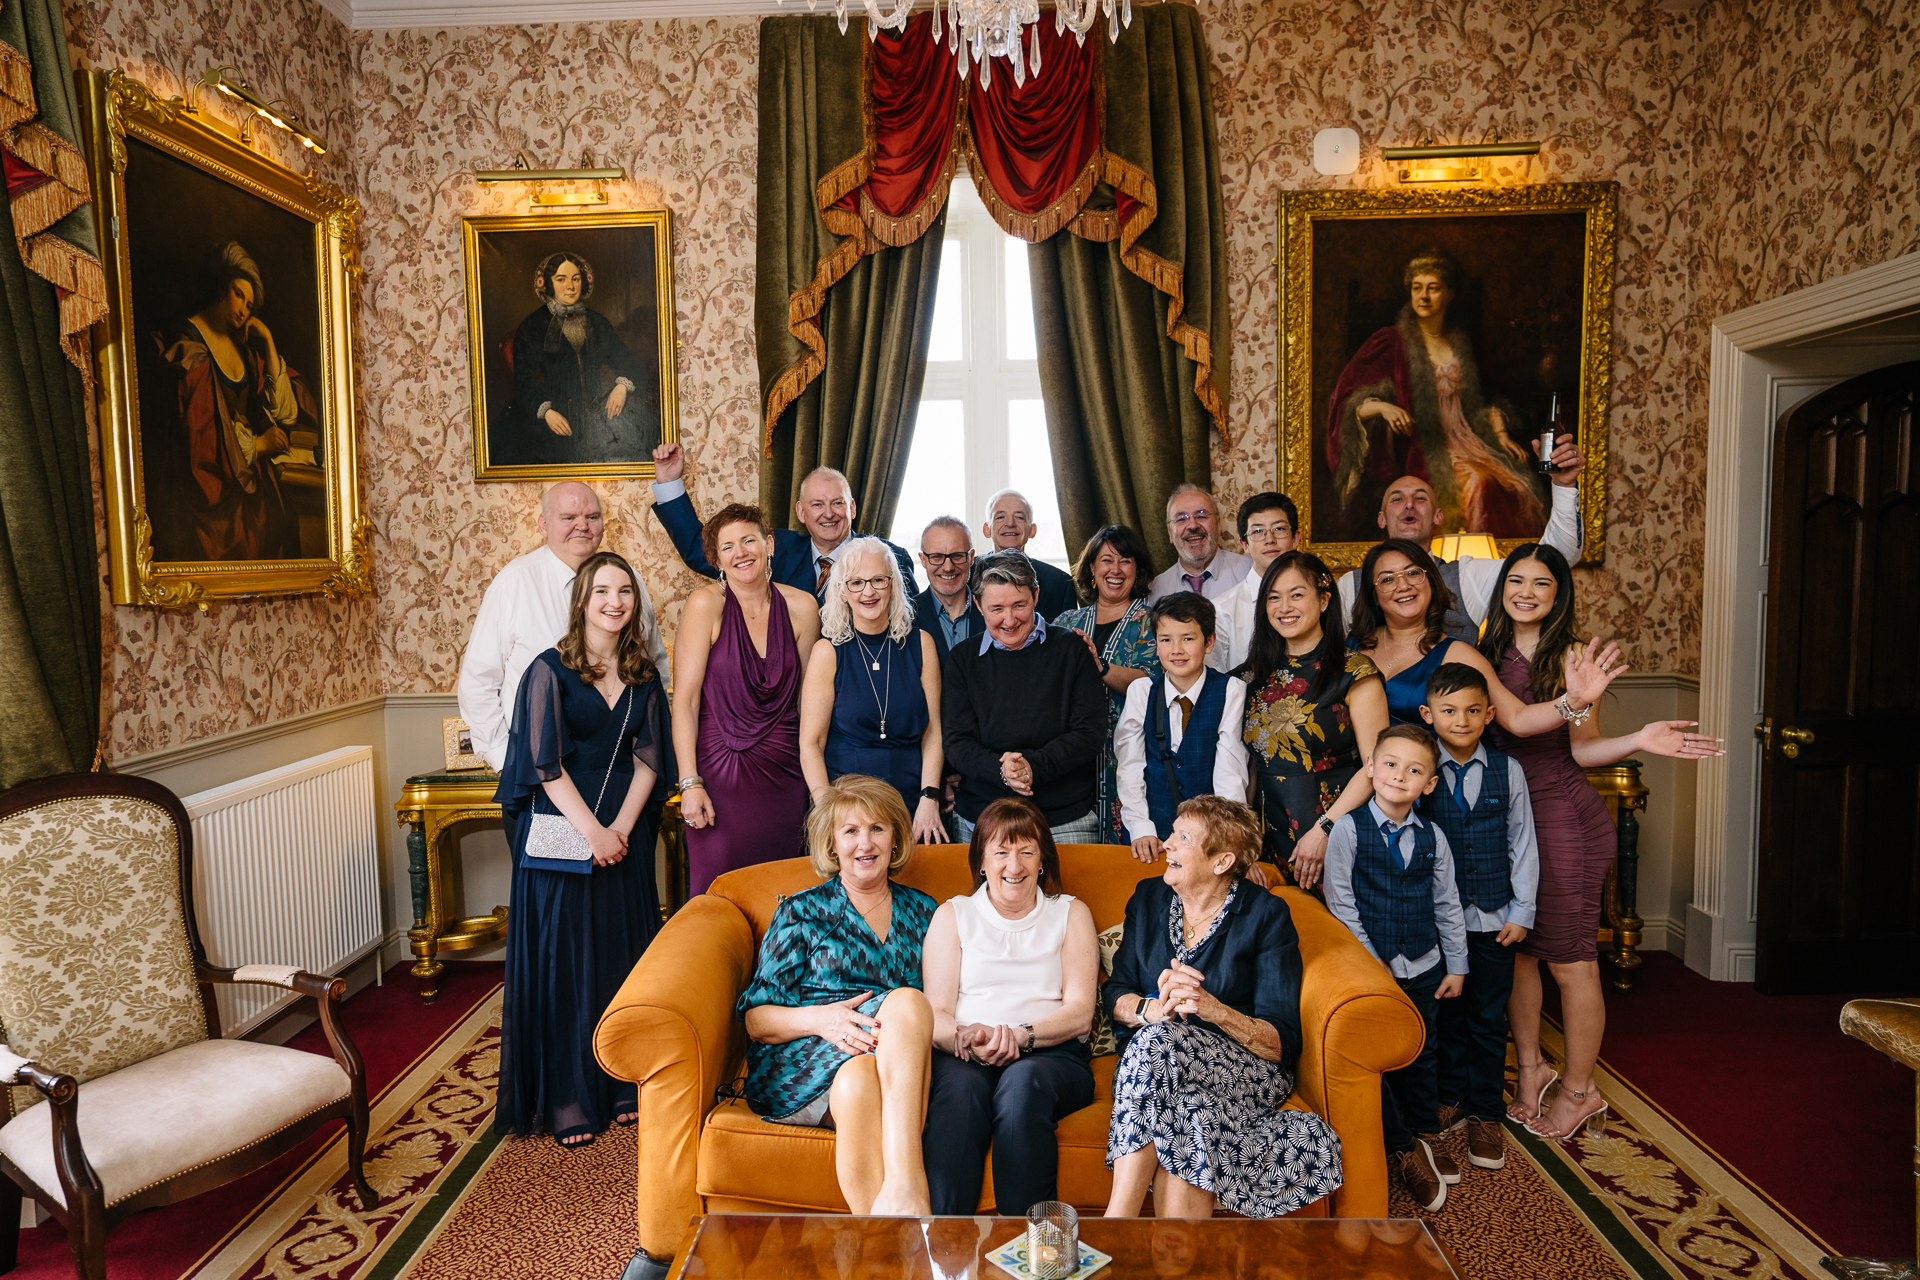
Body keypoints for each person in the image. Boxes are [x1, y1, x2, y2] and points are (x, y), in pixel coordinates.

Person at [1478, 544, 1724, 1141]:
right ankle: (1532, 1068)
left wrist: (1638, 737)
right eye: (1516, 580)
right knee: (1521, 954)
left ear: (1559, 593)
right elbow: (1510, 722)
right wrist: (1573, 702)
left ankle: (1581, 1091)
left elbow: (1583, 749)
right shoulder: (1484, 651)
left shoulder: (1570, 655)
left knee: (1572, 962)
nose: (1527, 591)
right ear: (1501, 587)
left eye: (1542, 582)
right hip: (1508, 820)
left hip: (1563, 818)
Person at [493, 551, 671, 1147]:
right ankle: (569, 1094)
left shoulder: (643, 673)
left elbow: (651, 759)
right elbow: (545, 766)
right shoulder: (548, 670)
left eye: (625, 590)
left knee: (622, 962)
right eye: (602, 591)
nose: (615, 601)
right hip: (564, 836)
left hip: (626, 836)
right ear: (582, 601)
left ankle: (622, 1081)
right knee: (568, 968)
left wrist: (619, 830)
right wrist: (593, 833)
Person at [1102, 796, 1342, 1219]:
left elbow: (1281, 1041)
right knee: (1192, 1112)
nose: (1166, 844)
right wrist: (1153, 1009)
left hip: (1245, 1071)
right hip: (1164, 1073)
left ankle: (1114, 1226)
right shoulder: (1148, 898)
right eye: (1172, 832)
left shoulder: (1265, 915)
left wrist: (1213, 1009)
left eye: (1183, 837)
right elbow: (1116, 992)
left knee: (1157, 1044)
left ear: (1220, 861)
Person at [737, 776, 937, 1214]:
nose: (865, 843)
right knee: (904, 999)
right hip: (804, 1059)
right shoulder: (802, 911)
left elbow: (943, 1004)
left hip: (885, 1067)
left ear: (895, 838)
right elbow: (756, 1019)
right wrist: (820, 1019)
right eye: (851, 831)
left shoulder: (925, 912)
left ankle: (883, 1244)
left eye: (877, 829)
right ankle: (907, 1184)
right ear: (832, 844)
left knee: (858, 1079)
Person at [921, 798, 1099, 1214]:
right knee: (959, 1097)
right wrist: (970, 1039)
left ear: (1042, 861)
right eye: (1000, 852)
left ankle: (1028, 1250)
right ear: (982, 861)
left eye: (1026, 851)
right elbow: (937, 1013)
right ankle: (948, 1248)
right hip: (965, 1052)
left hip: (1051, 1055)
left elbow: (1079, 1011)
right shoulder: (953, 915)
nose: (1013, 866)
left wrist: (1020, 1036)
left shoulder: (1070, 913)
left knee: (1021, 1088)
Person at [1321, 723, 1466, 1212]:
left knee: (1424, 1051)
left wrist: (1457, 964)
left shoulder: (1433, 836)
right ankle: (1400, 1143)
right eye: (1390, 763)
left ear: (1428, 783)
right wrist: (1372, 964)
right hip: (1372, 968)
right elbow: (1342, 904)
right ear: (1370, 768)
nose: (1399, 775)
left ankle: (1425, 1134)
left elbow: (1447, 904)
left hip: (1424, 963)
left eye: (1414, 769)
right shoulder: (1348, 829)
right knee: (1376, 1059)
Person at [1326, 248, 1545, 536]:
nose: (1424, 296)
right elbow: (1345, 401)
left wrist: (1501, 434)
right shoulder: (1391, 341)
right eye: (1417, 288)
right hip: (1423, 448)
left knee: (1516, 486)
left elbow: (1483, 400)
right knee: (1479, 484)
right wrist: (1383, 407)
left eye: (1433, 288)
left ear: (1449, 294)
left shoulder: (1460, 344)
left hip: (1468, 440)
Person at [1416, 663, 1538, 1175]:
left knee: (1489, 1018)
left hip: (1493, 919)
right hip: (1436, 925)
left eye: (1472, 710)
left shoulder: (1508, 771)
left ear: (1490, 715)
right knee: (1445, 1018)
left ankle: (1485, 1112)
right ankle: (1449, 1098)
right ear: (1428, 715)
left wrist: (1522, 909)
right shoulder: (1419, 771)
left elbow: (1523, 841)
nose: (1461, 720)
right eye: (1448, 711)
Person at [459, 481, 669, 772]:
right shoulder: (514, 582)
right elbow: (478, 681)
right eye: (569, 518)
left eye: (592, 517)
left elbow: (653, 664)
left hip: (617, 769)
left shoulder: (628, 580)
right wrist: (506, 759)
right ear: (543, 524)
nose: (582, 526)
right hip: (535, 767)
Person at [672, 503, 821, 894]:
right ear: (716, 559)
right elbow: (685, 701)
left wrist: (817, 780)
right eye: (728, 547)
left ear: (769, 544)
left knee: (785, 891)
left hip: (786, 775)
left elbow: (808, 702)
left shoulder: (804, 608)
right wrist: (690, 783)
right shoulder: (705, 606)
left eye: (749, 540)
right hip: (719, 777)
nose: (741, 553)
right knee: (718, 891)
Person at [1349, 537, 1622, 732]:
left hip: (1427, 792)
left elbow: (1517, 719)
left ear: (1431, 582)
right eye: (1387, 579)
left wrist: (1571, 702)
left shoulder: (1458, 654)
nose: (1403, 585)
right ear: (1373, 596)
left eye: (1412, 573)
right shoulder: (1349, 648)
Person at [150, 240, 316, 562]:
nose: (243, 309)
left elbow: (282, 412)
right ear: (221, 286)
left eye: (250, 305)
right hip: (207, 500)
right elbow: (199, 445)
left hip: (248, 491)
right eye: (239, 294)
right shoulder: (189, 349)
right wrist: (260, 446)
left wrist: (266, 339)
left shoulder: (243, 351)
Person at [1238, 550, 1387, 888]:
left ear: (1323, 601)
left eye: (1297, 595)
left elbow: (1377, 766)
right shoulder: (1248, 678)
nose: (1284, 607)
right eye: (1273, 597)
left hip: (1335, 832)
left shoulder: (1355, 672)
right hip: (1263, 843)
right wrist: (1240, 840)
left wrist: (1325, 829)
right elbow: (1241, 766)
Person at [942, 551, 1108, 844]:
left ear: (1036, 596)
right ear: (978, 605)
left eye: (1019, 605)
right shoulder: (962, 660)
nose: (1009, 620)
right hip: (981, 817)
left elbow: (1089, 734)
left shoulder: (1072, 649)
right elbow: (957, 742)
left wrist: (1034, 766)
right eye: (996, 608)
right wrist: (1002, 770)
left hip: (1063, 817)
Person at [800, 538, 947, 842]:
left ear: (893, 585)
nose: (868, 591)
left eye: (878, 580)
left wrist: (929, 798)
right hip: (847, 814)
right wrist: (828, 811)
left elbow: (933, 735)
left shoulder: (922, 644)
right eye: (856, 582)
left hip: (913, 807)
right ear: (841, 590)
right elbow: (811, 743)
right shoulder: (827, 652)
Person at [1334, 468, 1585, 643]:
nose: (1409, 504)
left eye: (1419, 498)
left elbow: (1554, 559)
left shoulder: (1468, 576)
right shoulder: (1350, 584)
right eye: (1397, 499)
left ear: (1438, 516)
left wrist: (1563, 486)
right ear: (1381, 518)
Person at [649, 443, 914, 597]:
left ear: (852, 508)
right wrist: (669, 481)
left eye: (838, 503)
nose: (829, 514)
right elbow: (701, 550)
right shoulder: (777, 547)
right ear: (801, 512)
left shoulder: (892, 558)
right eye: (817, 505)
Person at [1114, 594, 1251, 860]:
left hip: (1209, 837)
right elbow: (1130, 767)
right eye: (1166, 640)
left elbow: (1230, 773)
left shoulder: (1230, 690)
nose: (1176, 649)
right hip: (1151, 837)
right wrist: (1141, 828)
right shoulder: (1142, 691)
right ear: (1156, 644)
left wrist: (1228, 838)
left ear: (1209, 641)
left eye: (1188, 638)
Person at [1054, 525, 1161, 842]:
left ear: (1137, 569)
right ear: (1092, 568)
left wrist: (1099, 666)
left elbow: (1154, 684)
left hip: (1131, 754)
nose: (1115, 570)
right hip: (1072, 759)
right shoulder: (1065, 623)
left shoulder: (1153, 621)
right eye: (1106, 560)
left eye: (1125, 560)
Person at [506, 251, 657, 465]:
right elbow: (524, 382)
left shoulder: (597, 322)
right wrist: (547, 412)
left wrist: (621, 387)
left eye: (576, 279)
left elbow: (630, 363)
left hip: (599, 412)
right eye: (561, 279)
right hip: (556, 417)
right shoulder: (532, 327)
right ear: (548, 284)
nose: (570, 286)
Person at [1214, 492, 1298, 674]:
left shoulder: (1314, 599)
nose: (1270, 540)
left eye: (1279, 529)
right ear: (1244, 544)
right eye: (1258, 531)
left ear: (1296, 537)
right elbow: (1215, 679)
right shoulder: (1222, 610)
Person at [1145, 486, 1252, 605]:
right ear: (1170, 533)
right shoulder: (1154, 592)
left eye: (1201, 516)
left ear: (1218, 525)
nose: (1192, 525)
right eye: (1181, 519)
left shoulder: (1250, 572)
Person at [981, 489, 1077, 619]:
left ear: (1032, 530)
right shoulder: (967, 577)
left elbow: (1066, 637)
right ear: (987, 529)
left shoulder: (1060, 584)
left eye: (1019, 517)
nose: (1010, 523)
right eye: (1000, 517)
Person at [911, 516, 982, 664]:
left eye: (957, 556)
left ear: (971, 557)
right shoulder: (905, 616)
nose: (948, 567)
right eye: (937, 557)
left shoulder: (993, 611)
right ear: (922, 559)